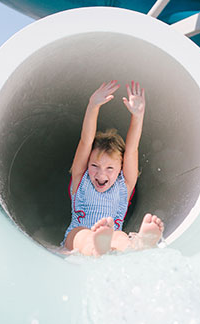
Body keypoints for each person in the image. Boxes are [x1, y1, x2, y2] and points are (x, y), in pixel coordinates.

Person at [63, 80, 164, 256]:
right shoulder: (81, 178)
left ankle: (139, 244)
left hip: (110, 235)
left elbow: (131, 150)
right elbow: (86, 141)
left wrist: (138, 115)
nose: (101, 174)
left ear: (121, 168)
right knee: (83, 235)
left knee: (119, 236)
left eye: (110, 168)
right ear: (87, 164)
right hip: (77, 234)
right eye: (94, 166)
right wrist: (93, 106)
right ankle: (95, 247)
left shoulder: (124, 184)